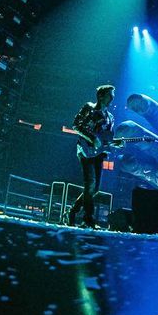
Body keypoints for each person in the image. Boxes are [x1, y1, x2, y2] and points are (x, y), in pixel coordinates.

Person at [68, 84, 115, 227]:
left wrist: (115, 144)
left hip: (98, 154)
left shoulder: (110, 117)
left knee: (95, 188)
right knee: (90, 183)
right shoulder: (89, 107)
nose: (112, 97)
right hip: (85, 150)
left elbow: (105, 139)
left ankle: (72, 211)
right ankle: (88, 218)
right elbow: (76, 125)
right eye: (109, 94)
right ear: (101, 96)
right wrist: (92, 138)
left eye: (113, 95)